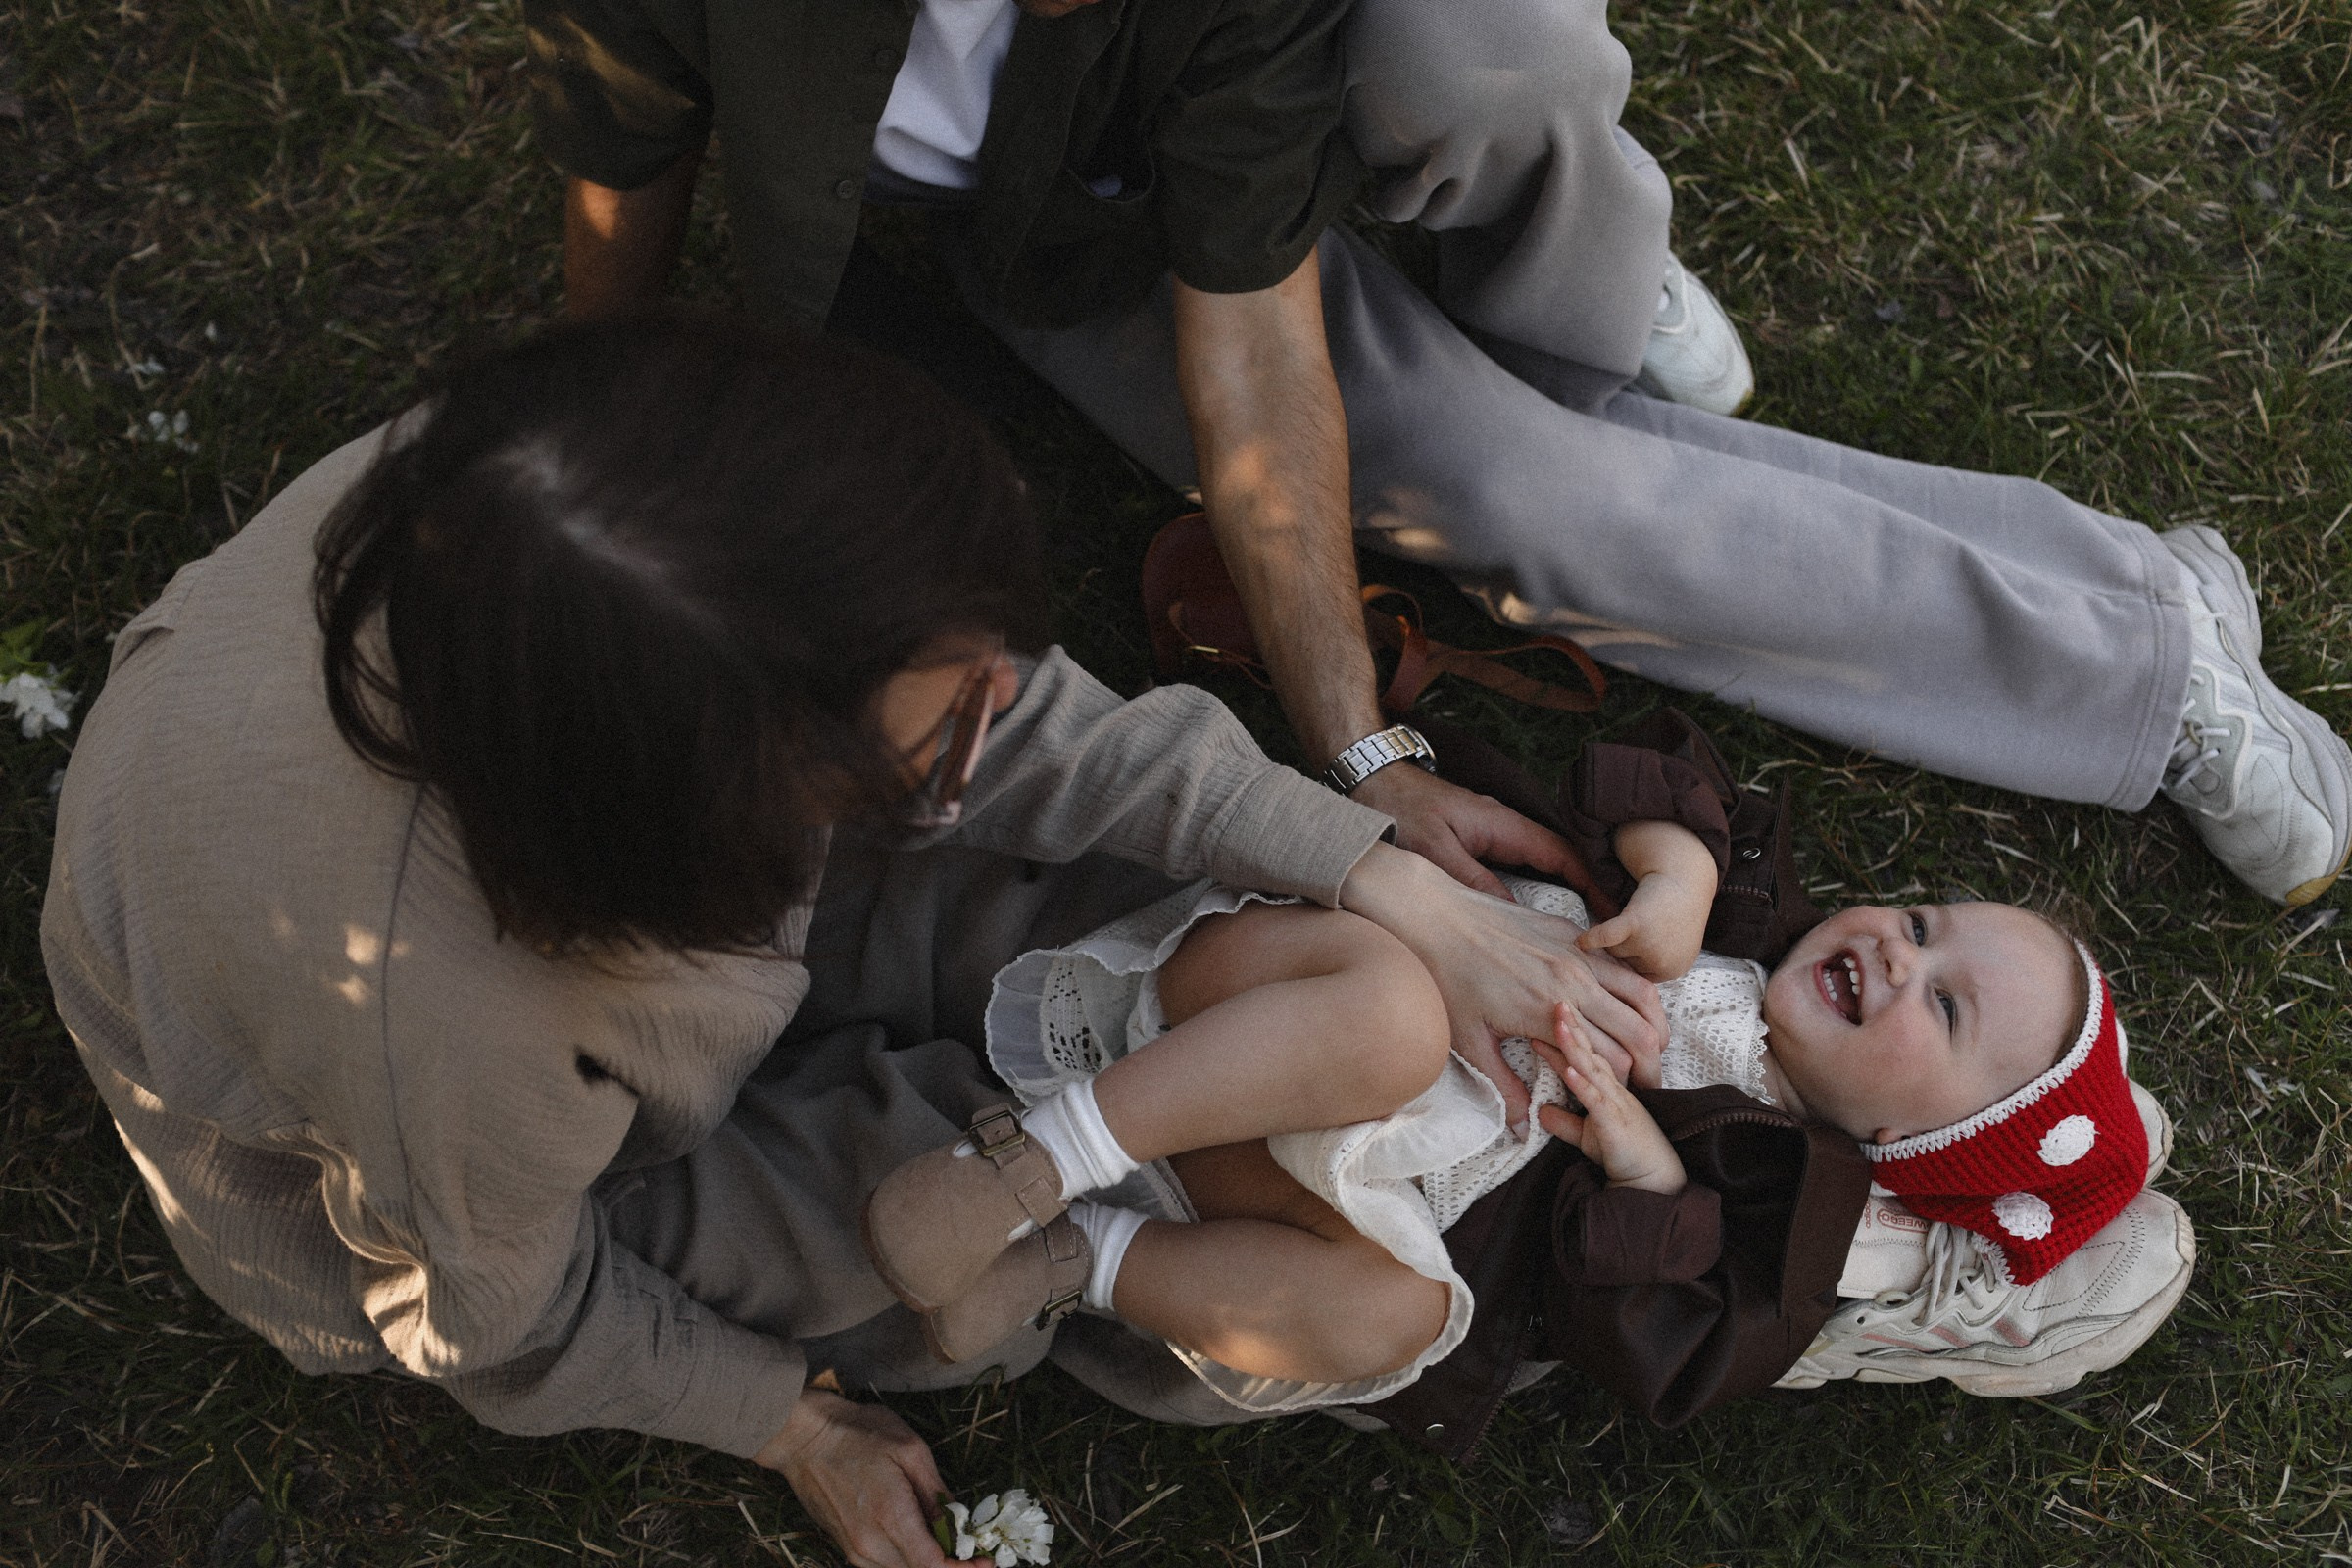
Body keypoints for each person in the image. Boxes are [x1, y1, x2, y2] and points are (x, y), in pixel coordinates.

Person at [40, 317, 1686, 1568]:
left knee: (1050, 891)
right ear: (724, 828)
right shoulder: (458, 1053)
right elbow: (497, 1313)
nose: (1003, 726)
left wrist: (1376, 873)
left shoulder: (653, 515)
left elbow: (1018, 720)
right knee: (865, 1217)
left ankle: (1094, 1096)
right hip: (479, 1159)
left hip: (632, 878)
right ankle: (1086, 1220)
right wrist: (779, 1419)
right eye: (944, 733)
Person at [528, 0, 2352, 910]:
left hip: (1310, 63)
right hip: (1063, 217)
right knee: (1519, 494)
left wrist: (1355, 737)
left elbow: (1253, 334)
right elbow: (627, 125)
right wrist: (577, 421)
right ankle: (2144, 634)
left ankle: (1573, 297)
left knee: (1493, 67)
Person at [863, 813, 2196, 1415]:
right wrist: (1671, 872)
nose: (1902, 954)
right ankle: (1045, 1160)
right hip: (1261, 1023)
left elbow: (1673, 1353)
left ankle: (1072, 1258)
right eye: (1922, 922)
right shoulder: (1738, 921)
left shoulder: (1793, 1213)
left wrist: (1648, 1190)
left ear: (1912, 1153)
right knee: (1387, 1015)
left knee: (1404, 1321)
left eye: (1946, 1012)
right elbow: (1653, 798)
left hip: (1283, 1207)